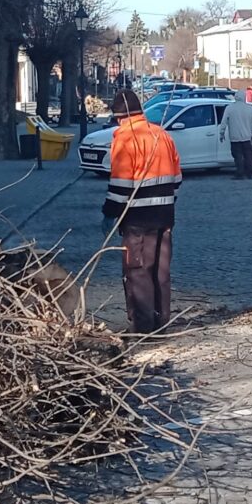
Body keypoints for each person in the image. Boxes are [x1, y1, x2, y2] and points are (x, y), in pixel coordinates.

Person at [101, 90, 182, 335]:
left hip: (137, 219)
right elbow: (177, 178)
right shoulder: (162, 135)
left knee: (137, 271)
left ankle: (142, 328)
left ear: (119, 117)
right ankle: (162, 322)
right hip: (165, 216)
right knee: (160, 270)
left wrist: (109, 213)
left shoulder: (124, 139)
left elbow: (120, 186)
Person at [218, 90, 252, 179]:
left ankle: (239, 173)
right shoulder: (250, 108)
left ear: (235, 97)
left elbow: (223, 123)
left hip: (234, 137)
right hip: (247, 137)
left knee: (237, 156)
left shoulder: (229, 108)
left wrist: (221, 133)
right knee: (248, 156)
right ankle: (249, 174)